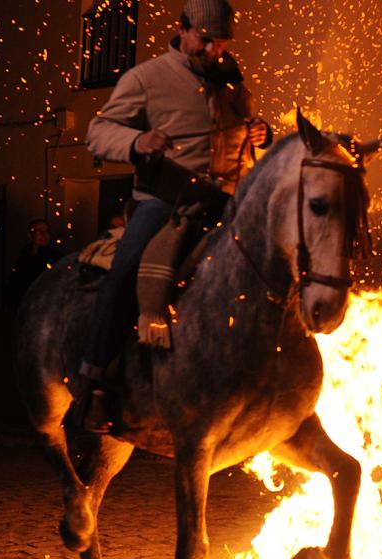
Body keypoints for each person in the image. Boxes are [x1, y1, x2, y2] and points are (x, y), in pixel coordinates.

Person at [72, 0, 272, 432]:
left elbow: (243, 128)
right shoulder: (146, 77)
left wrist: (261, 132)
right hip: (164, 203)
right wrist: (138, 140)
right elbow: (98, 131)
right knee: (125, 273)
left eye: (221, 41)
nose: (215, 48)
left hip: (226, 201)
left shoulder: (231, 81)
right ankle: (95, 384)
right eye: (206, 38)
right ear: (181, 29)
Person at [7, 219, 63, 308]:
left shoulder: (56, 257)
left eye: (46, 231)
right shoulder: (22, 255)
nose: (44, 235)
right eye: (39, 231)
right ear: (30, 235)